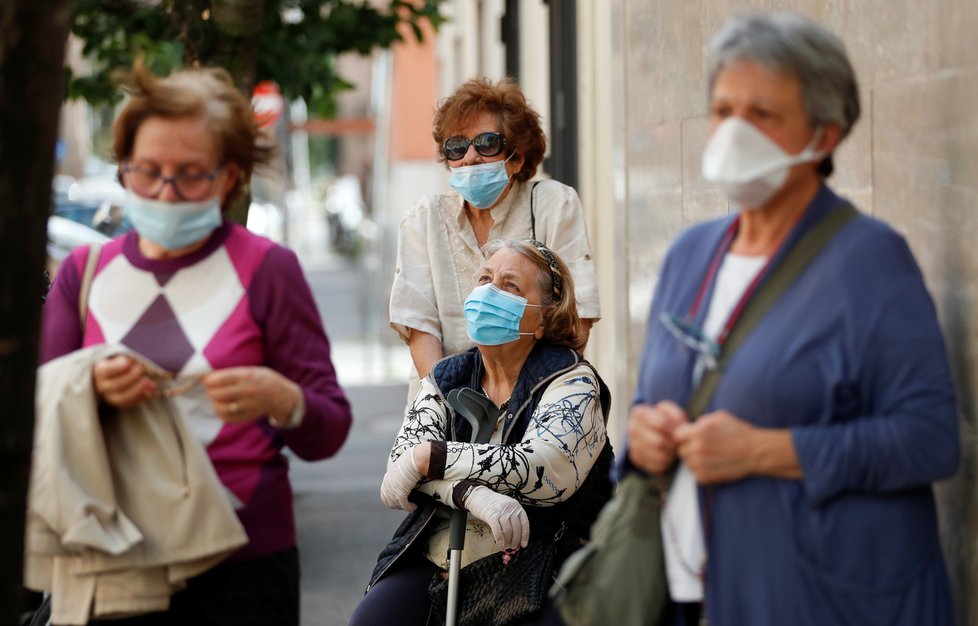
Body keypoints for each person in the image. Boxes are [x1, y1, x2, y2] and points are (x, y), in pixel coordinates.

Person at [625, 12, 959, 626]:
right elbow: (652, 400)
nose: (733, 132)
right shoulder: (688, 255)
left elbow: (930, 439)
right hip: (689, 594)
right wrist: (641, 437)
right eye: (723, 111)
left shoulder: (870, 261)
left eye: (763, 114)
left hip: (824, 598)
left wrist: (767, 451)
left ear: (825, 135)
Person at [38, 62, 353, 625]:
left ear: (228, 177)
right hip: (112, 551)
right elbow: (38, 415)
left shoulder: (267, 269)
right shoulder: (82, 274)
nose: (165, 191)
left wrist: (283, 399)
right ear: (122, 169)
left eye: (190, 175)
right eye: (147, 172)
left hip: (243, 561)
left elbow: (328, 427)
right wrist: (89, 387)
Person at [352, 239, 614, 626]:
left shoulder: (573, 381)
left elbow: (544, 467)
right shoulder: (447, 376)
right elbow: (398, 476)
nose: (490, 292)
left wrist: (434, 458)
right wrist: (467, 493)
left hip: (544, 554)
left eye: (511, 286)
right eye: (485, 278)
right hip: (443, 550)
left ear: (543, 319)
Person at [389, 77, 601, 400]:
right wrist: (451, 407)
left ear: (516, 158)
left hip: (535, 405)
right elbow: (421, 329)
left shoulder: (553, 205)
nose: (470, 157)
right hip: (443, 405)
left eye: (486, 143)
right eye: (457, 147)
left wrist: (518, 401)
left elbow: (576, 320)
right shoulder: (424, 219)